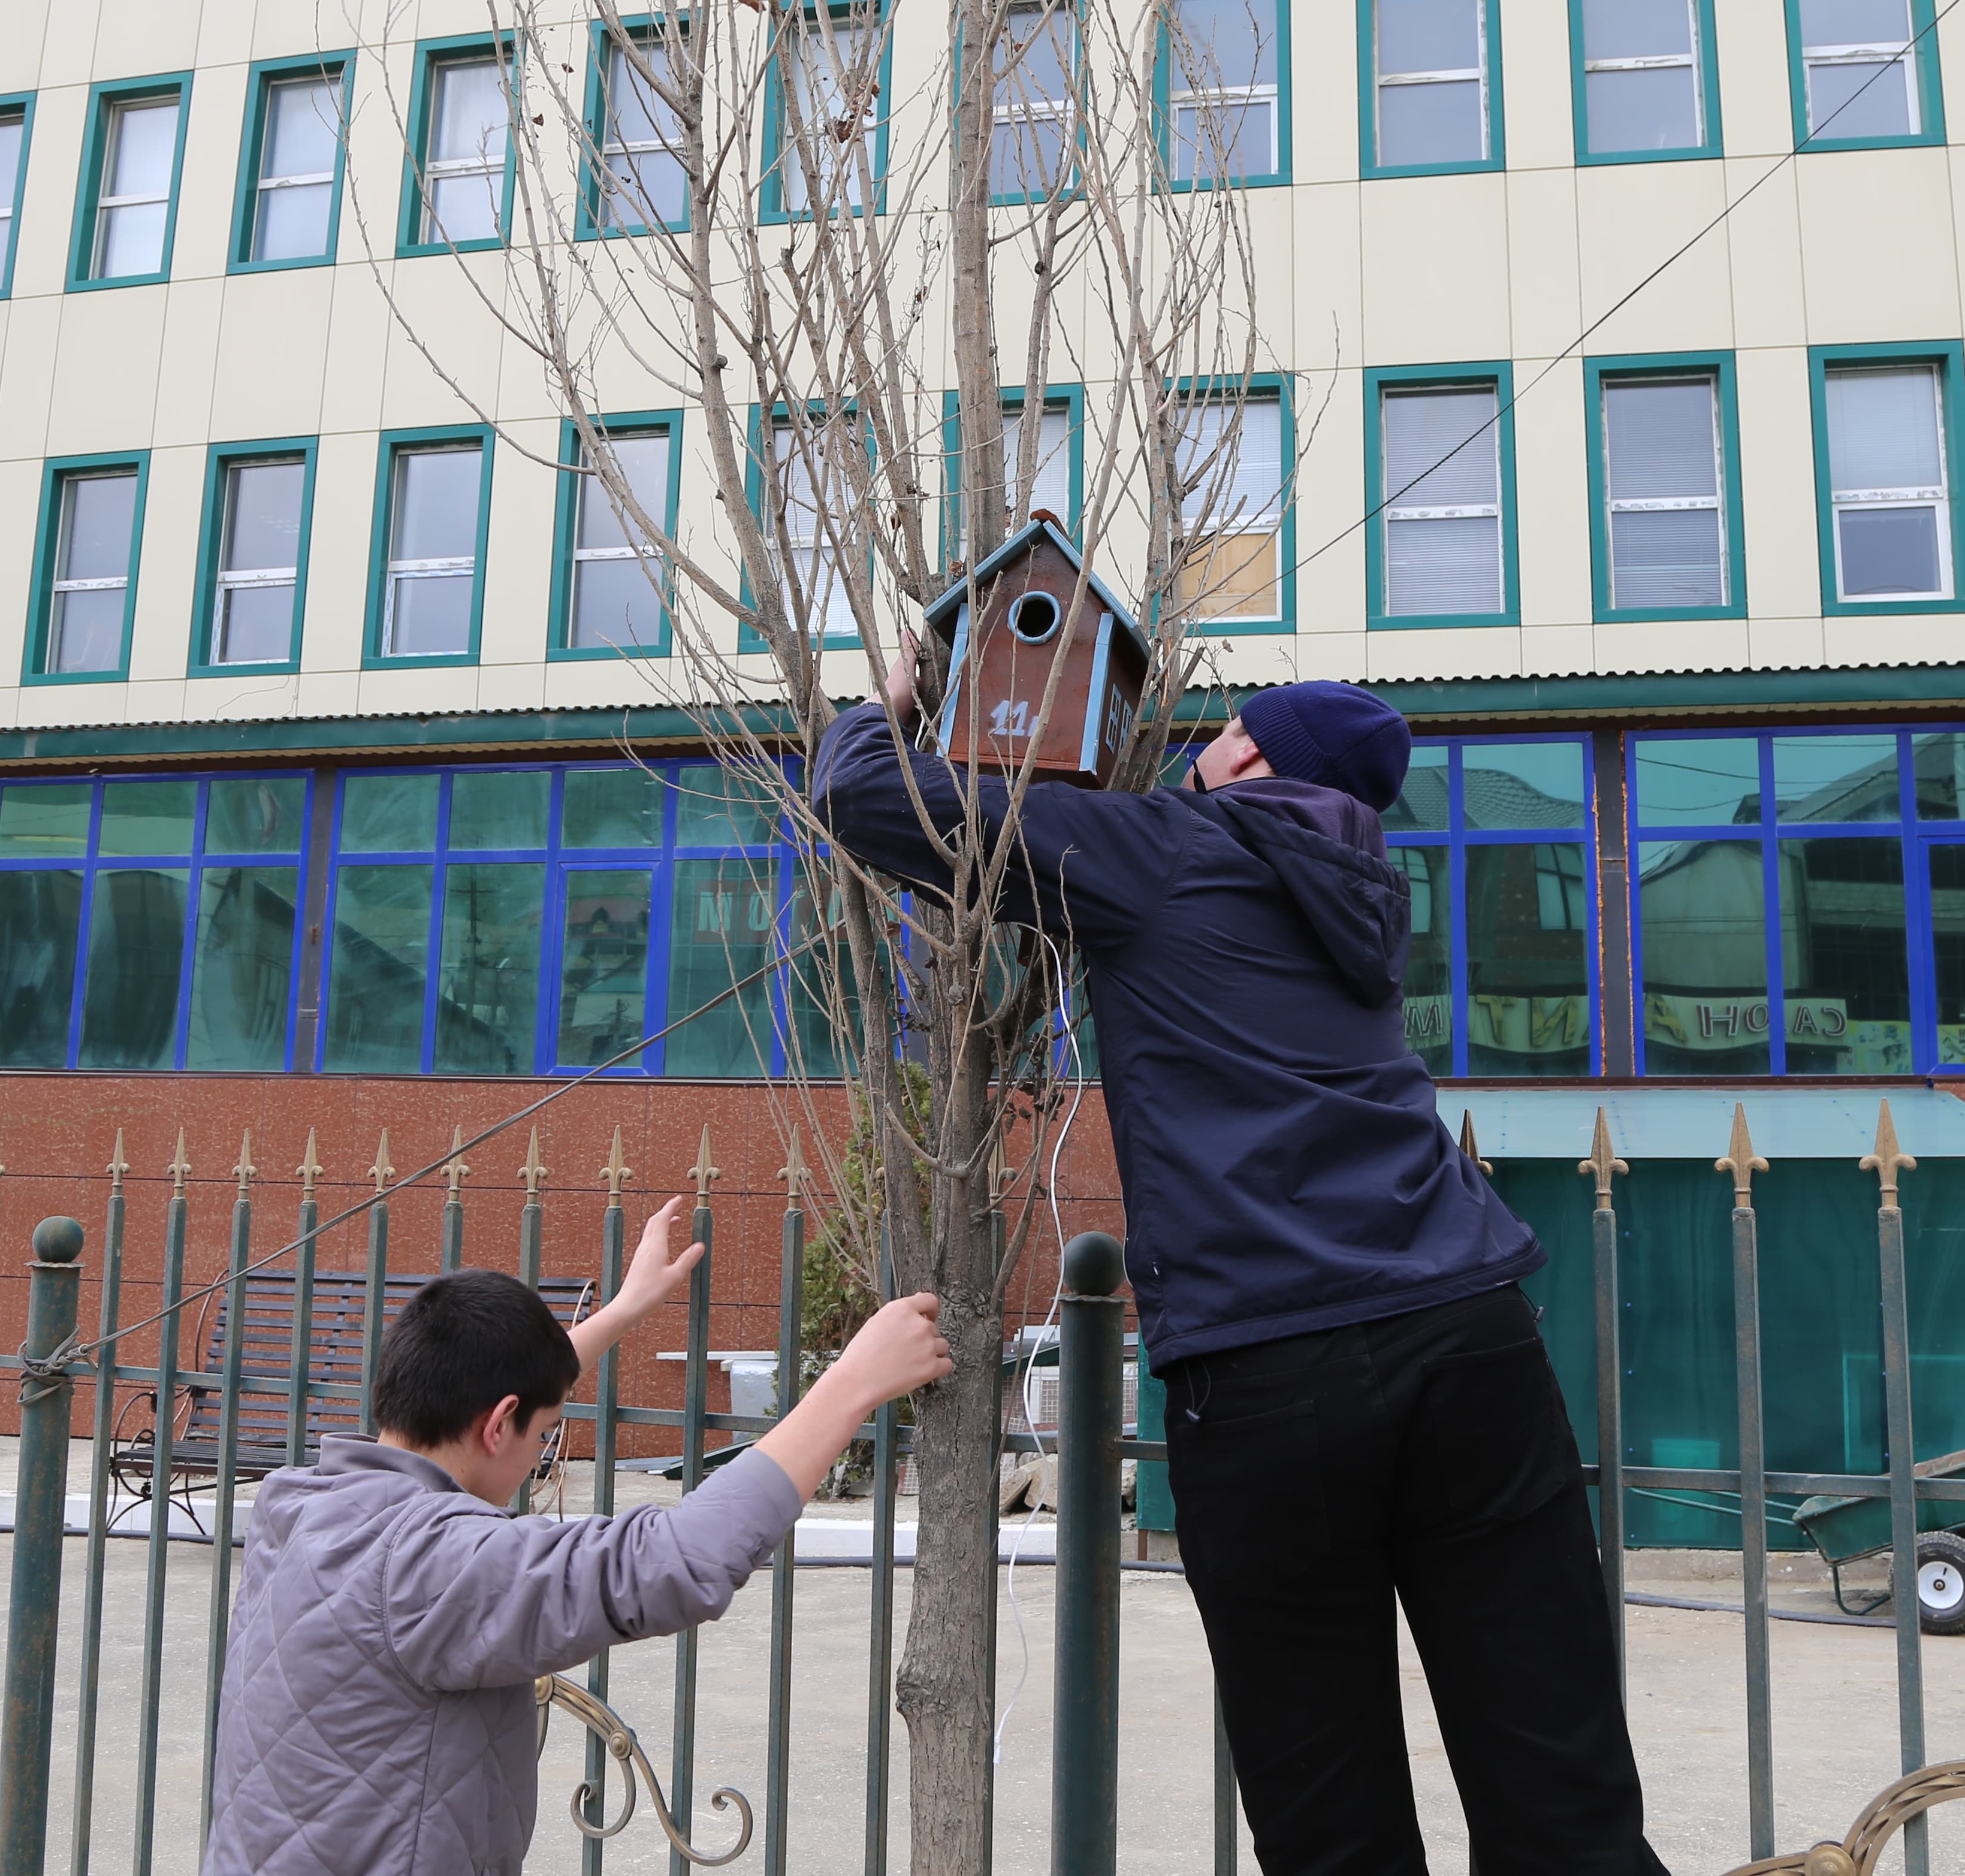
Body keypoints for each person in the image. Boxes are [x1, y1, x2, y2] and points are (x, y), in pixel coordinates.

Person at [814, 666, 1668, 1876]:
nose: (1201, 751)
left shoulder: (1160, 847)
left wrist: (897, 696)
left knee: (1331, 1820)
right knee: (1564, 1792)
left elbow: (863, 797)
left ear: (1256, 761)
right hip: (1471, 1335)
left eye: (1220, 734)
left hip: (1277, 1372)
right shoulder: (1366, 893)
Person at [203, 1198, 953, 1876]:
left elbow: (495, 1400)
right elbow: (674, 1562)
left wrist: (626, 1310)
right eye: (547, 1432)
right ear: (499, 1424)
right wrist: (853, 1382)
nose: (543, 1454)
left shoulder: (300, 1505)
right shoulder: (429, 1562)